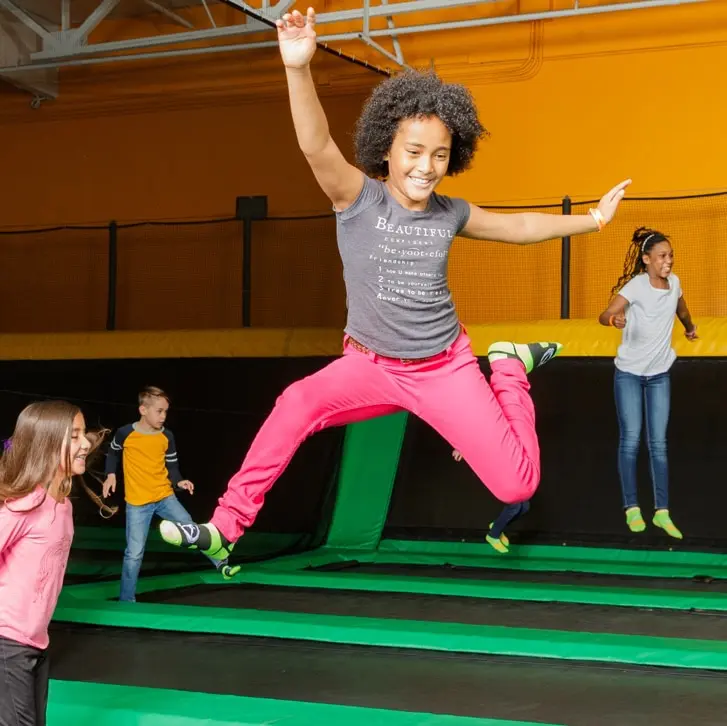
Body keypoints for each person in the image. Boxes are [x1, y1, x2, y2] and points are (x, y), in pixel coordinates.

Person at [158, 6, 631, 565]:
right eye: (413, 152)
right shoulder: (356, 198)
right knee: (295, 403)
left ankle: (508, 366)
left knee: (517, 486)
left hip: (445, 368)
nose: (426, 166)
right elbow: (315, 146)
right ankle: (226, 525)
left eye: (439, 155)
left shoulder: (449, 211)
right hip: (369, 365)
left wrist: (593, 221)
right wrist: (297, 69)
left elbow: (518, 227)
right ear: (386, 149)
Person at [0, 400, 103, 726]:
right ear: (46, 443)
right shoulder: (25, 503)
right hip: (6, 642)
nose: (85, 442)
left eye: (83, 434)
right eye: (73, 436)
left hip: (35, 641)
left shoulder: (61, 505)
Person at [598, 227, 697, 539]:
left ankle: (662, 512)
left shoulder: (675, 283)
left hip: (659, 375)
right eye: (662, 257)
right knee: (631, 441)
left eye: (670, 256)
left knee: (658, 444)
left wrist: (690, 327)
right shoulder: (637, 286)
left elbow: (681, 307)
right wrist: (614, 319)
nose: (668, 261)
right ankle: (632, 507)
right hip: (628, 373)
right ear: (646, 260)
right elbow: (605, 314)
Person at [102, 386, 238, 602]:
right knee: (134, 553)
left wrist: (179, 481)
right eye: (159, 411)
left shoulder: (167, 436)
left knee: (193, 530)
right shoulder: (125, 433)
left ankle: (221, 564)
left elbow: (172, 467)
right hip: (138, 503)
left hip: (165, 498)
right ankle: (126, 600)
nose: (163, 416)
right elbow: (112, 452)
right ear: (143, 410)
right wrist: (110, 475)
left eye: (166, 411)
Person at [452, 448, 530, 553]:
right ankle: (493, 535)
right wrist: (461, 448)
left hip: (505, 465)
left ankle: (496, 526)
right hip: (491, 469)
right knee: (514, 506)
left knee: (525, 506)